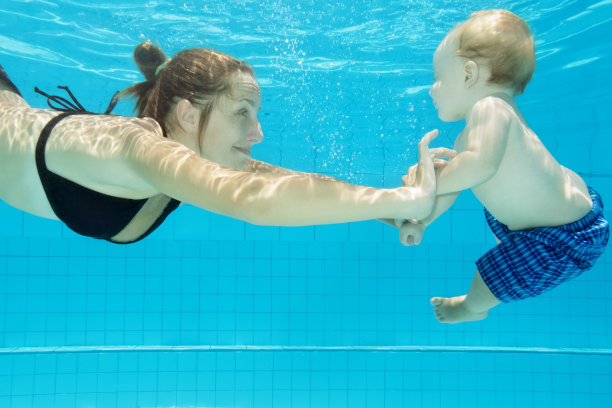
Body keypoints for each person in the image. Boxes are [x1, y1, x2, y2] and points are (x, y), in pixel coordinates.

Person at [0, 42, 443, 244]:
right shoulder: (133, 147)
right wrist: (408, 196)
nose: (258, 133)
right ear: (188, 114)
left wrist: (389, 207)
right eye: (242, 113)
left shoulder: (191, 156)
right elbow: (255, 202)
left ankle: (155, 65)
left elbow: (287, 183)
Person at [398, 10, 609, 323]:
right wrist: (423, 219)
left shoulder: (490, 108)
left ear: (469, 74)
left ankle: (472, 308)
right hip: (556, 216)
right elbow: (460, 179)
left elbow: (479, 166)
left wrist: (427, 183)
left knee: (492, 276)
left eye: (437, 78)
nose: (431, 89)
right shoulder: (476, 131)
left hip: (564, 236)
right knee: (475, 186)